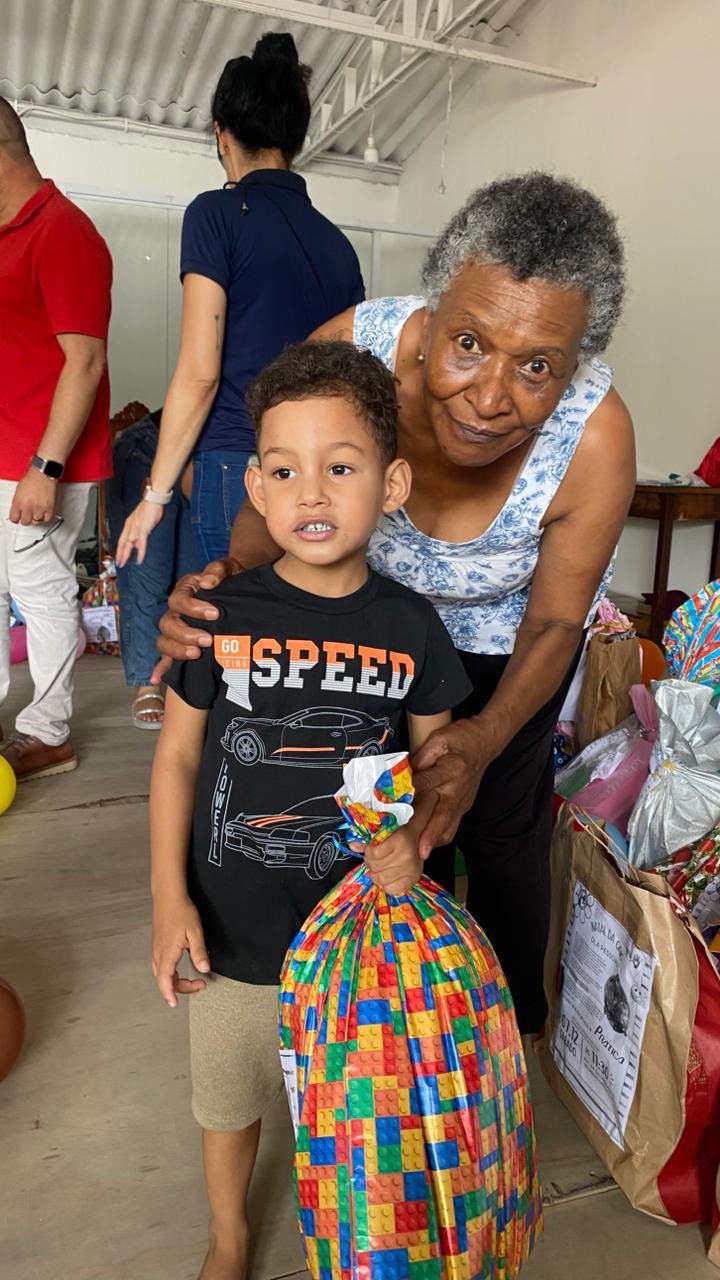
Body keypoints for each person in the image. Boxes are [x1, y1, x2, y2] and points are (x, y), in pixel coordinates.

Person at [156, 172, 636, 1036]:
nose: (490, 397)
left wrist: (487, 737)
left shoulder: (594, 436)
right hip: (365, 628)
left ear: (575, 366)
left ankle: (498, 1040)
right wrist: (227, 587)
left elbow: (559, 621)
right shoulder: (358, 351)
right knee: (374, 829)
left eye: (537, 368)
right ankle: (379, 1015)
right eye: (467, 345)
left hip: (506, 652)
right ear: (436, 304)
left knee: (494, 827)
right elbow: (278, 477)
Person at [151, 341, 471, 1280]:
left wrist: (413, 841)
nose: (314, 494)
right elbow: (175, 758)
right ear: (255, 485)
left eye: (342, 468)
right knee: (228, 1096)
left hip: (359, 939)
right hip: (232, 930)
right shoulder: (222, 613)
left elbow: (431, 764)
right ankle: (228, 1235)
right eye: (286, 471)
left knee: (354, 1100)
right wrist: (168, 898)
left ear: (394, 481)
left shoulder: (410, 627)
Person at [116, 33, 365, 571]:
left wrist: (154, 497)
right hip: (320, 469)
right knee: (300, 623)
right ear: (294, 139)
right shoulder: (339, 247)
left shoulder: (215, 216)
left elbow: (201, 372)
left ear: (221, 136)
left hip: (236, 464)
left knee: (234, 631)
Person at [0, 98, 112, 781]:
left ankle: (48, 733)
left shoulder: (64, 232)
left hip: (43, 461)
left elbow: (86, 362)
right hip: (3, 451)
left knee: (39, 591)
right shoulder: (9, 234)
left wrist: (46, 466)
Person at [107, 408, 199, 728]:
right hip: (151, 448)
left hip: (204, 454)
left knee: (193, 573)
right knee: (146, 569)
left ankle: (183, 679)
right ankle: (148, 682)